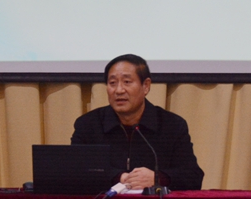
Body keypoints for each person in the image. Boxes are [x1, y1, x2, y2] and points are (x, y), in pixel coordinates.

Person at [71, 54, 204, 191]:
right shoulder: (88, 125)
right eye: (112, 83)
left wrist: (157, 178)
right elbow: (75, 171)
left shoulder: (172, 125)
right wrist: (118, 177)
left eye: (127, 82)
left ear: (146, 86)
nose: (119, 90)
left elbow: (193, 177)